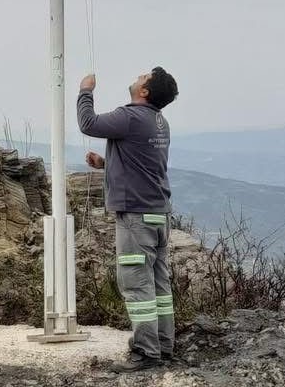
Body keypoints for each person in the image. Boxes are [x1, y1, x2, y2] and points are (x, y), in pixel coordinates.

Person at [77, 67, 179, 374]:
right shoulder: (160, 123)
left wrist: (85, 91)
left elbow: (88, 123)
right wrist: (106, 165)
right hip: (158, 214)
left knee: (136, 284)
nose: (138, 76)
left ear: (144, 92)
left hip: (136, 217)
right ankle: (163, 346)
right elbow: (142, 163)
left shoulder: (131, 116)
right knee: (159, 284)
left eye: (144, 76)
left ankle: (145, 353)